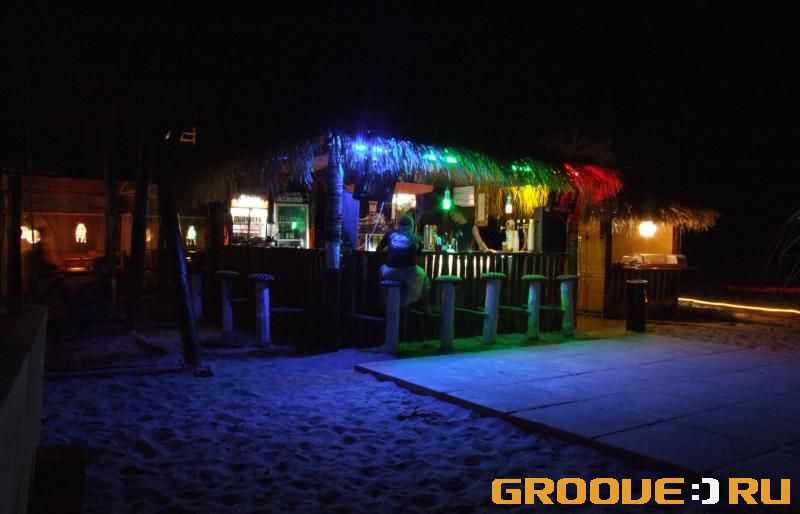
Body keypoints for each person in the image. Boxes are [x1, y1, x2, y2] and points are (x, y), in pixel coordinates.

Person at [376, 214, 430, 306]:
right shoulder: (416, 238)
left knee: (382, 269)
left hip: (390, 272)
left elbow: (378, 250)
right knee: (424, 277)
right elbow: (419, 260)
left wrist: (389, 249)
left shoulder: (389, 233)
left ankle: (384, 302)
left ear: (398, 224)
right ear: (412, 226)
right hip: (409, 273)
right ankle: (420, 307)